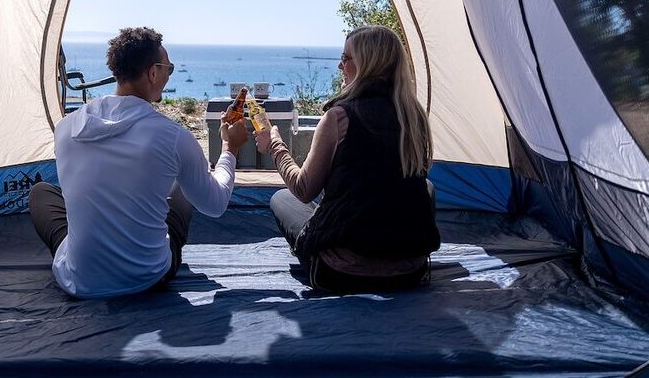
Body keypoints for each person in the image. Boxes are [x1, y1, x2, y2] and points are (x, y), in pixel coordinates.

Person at [29, 27, 248, 298]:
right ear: (153, 73)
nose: (169, 74)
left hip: (79, 280)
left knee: (40, 193)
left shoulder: (65, 129)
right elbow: (215, 205)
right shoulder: (172, 137)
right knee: (180, 189)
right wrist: (230, 148)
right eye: (169, 68)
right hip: (147, 277)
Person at [256, 26, 440, 293]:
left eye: (345, 59)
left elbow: (304, 189)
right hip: (411, 271)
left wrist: (274, 145)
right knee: (427, 188)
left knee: (281, 198)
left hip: (340, 273)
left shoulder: (340, 117)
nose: (340, 66)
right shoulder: (413, 117)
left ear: (367, 63)